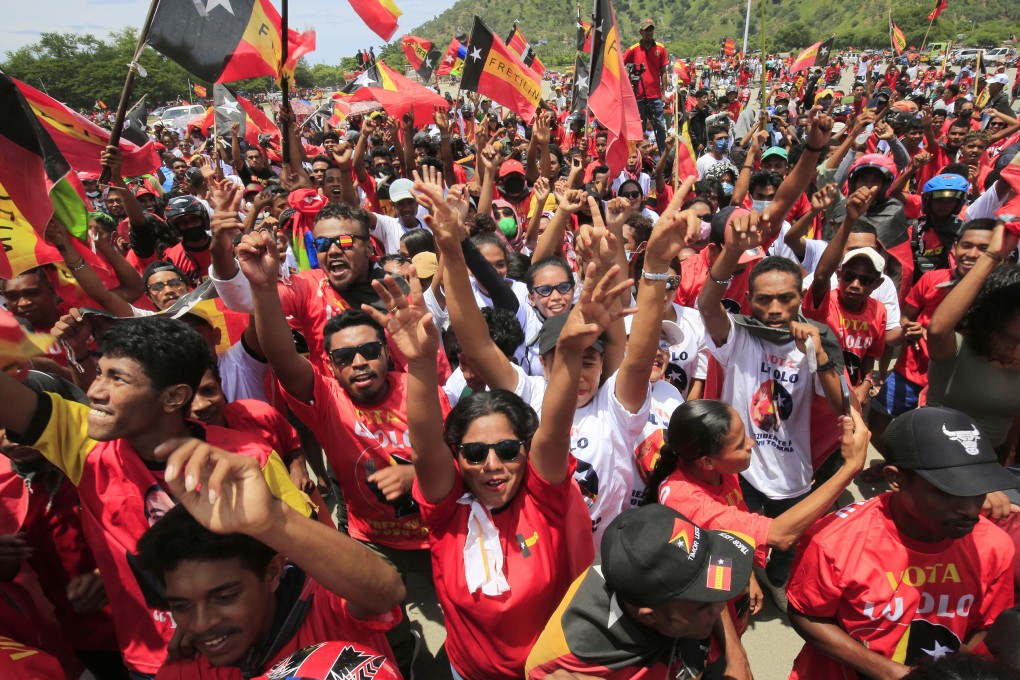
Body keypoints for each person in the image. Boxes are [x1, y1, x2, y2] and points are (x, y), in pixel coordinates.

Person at [0, 316, 311, 677]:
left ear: (174, 396)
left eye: (117, 378)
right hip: (153, 666)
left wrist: (208, 619)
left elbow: (304, 565)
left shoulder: (247, 459)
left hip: (256, 656)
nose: (96, 391)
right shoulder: (82, 443)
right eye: (99, 373)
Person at [391, 254, 621, 678]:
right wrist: (420, 367)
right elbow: (424, 448)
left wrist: (570, 352)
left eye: (508, 450)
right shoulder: (447, 510)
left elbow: (554, 428)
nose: (492, 465)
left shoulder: (542, 497)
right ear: (457, 458)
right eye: (476, 454)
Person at [135, 439, 405, 679]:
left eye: (225, 597)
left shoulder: (325, 604)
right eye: (183, 606)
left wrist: (273, 519)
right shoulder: (185, 671)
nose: (202, 623)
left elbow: (386, 591)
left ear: (273, 572)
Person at [786, 407, 1019, 678]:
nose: (969, 509)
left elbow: (986, 625)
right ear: (896, 479)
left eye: (977, 489)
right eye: (948, 491)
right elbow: (806, 614)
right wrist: (891, 672)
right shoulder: (834, 541)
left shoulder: (994, 546)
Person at [642, 400, 869, 675]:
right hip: (702, 627)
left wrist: (748, 574)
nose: (751, 443)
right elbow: (781, 535)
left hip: (724, 601)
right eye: (739, 444)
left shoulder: (721, 472)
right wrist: (850, 469)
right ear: (707, 461)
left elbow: (730, 533)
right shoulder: (686, 501)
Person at [526, 504, 754, 679]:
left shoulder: (645, 550)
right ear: (650, 615)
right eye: (703, 604)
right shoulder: (564, 665)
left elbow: (708, 583)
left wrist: (736, 655)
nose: (722, 605)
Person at [927, 221, 1020, 462]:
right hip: (937, 457)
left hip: (991, 461)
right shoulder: (957, 350)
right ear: (1000, 311)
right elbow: (937, 330)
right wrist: (992, 255)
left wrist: (1008, 459)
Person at [624, 18, 669, 152]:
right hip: (638, 96)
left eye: (651, 30)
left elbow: (663, 72)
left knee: (660, 126)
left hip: (655, 95)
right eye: (646, 30)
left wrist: (664, 93)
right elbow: (621, 65)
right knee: (640, 128)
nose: (648, 33)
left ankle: (663, 154)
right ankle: (640, 155)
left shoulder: (660, 48)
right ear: (640, 32)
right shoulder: (633, 49)